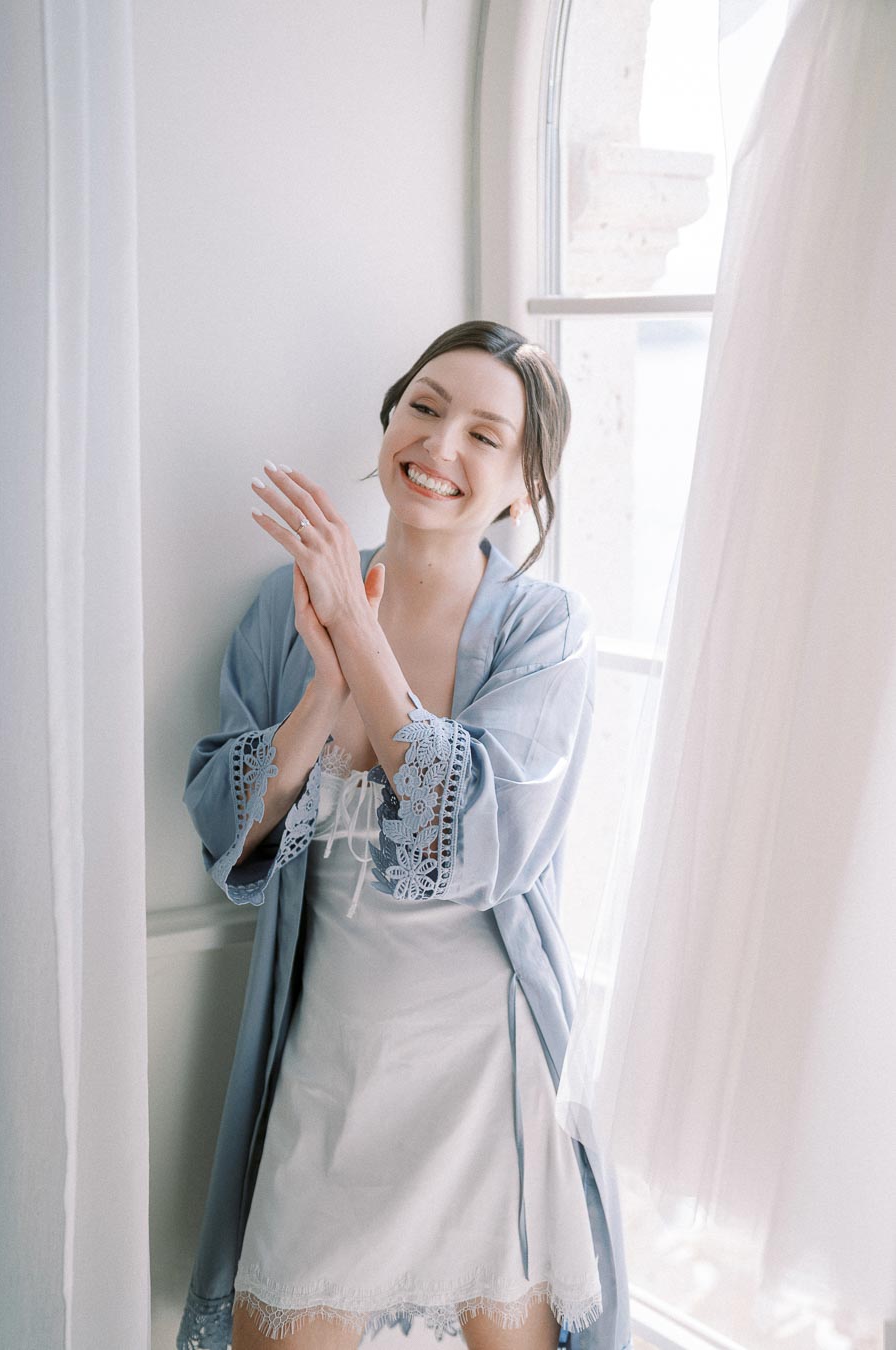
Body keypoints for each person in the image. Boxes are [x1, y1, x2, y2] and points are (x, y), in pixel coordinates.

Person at [176, 321, 632, 1350]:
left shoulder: (546, 629)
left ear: (524, 486)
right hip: (331, 1056)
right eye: (424, 407)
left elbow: (477, 841)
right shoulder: (283, 608)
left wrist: (356, 624)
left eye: (485, 434)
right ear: (389, 421)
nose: (440, 443)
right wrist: (321, 692)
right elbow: (225, 822)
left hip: (486, 1071)